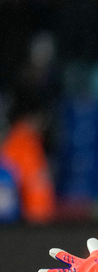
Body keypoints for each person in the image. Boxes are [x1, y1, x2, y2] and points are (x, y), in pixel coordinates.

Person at [0, 82, 57, 224]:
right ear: (28, 117)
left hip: (43, 216)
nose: (42, 124)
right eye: (39, 118)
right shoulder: (15, 143)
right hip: (24, 222)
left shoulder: (34, 142)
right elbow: (7, 185)